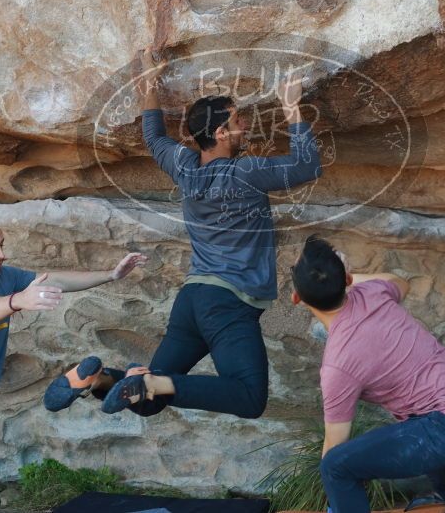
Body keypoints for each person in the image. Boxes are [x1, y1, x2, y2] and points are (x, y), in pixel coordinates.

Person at [93, 48, 323, 418]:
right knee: (249, 398)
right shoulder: (245, 172)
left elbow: (153, 137)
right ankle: (148, 381)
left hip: (193, 299)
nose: (245, 126)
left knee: (147, 403)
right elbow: (306, 165)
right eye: (237, 121)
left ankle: (97, 381)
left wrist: (149, 84)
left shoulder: (184, 166)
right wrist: (291, 107)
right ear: (219, 133)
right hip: (227, 303)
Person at [0, 211, 147, 513]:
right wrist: (16, 301)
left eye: (1, 244)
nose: (1, 254)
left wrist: (111, 274)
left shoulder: (3, 278)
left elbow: (54, 280)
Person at [290, 235, 445, 513]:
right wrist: (344, 276)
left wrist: (335, 501)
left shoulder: (338, 364)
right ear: (348, 279)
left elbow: (334, 446)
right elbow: (401, 282)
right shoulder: (374, 293)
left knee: (335, 468)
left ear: (296, 298)